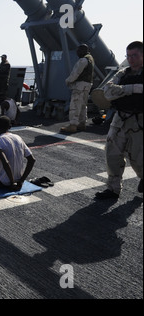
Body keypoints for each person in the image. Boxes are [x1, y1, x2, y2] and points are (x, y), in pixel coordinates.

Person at [95, 41, 143, 199]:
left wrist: (121, 91)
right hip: (120, 120)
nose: (131, 59)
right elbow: (108, 92)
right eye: (128, 56)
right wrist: (133, 89)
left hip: (139, 122)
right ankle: (113, 189)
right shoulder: (122, 74)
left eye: (134, 55)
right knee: (112, 155)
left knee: (138, 158)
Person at [61, 44, 95, 133]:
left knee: (75, 104)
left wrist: (68, 81)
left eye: (78, 51)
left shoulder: (83, 60)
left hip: (80, 85)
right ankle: (82, 123)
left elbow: (75, 73)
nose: (77, 53)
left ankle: (72, 125)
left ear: (83, 51)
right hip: (88, 85)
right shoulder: (90, 59)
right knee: (83, 104)